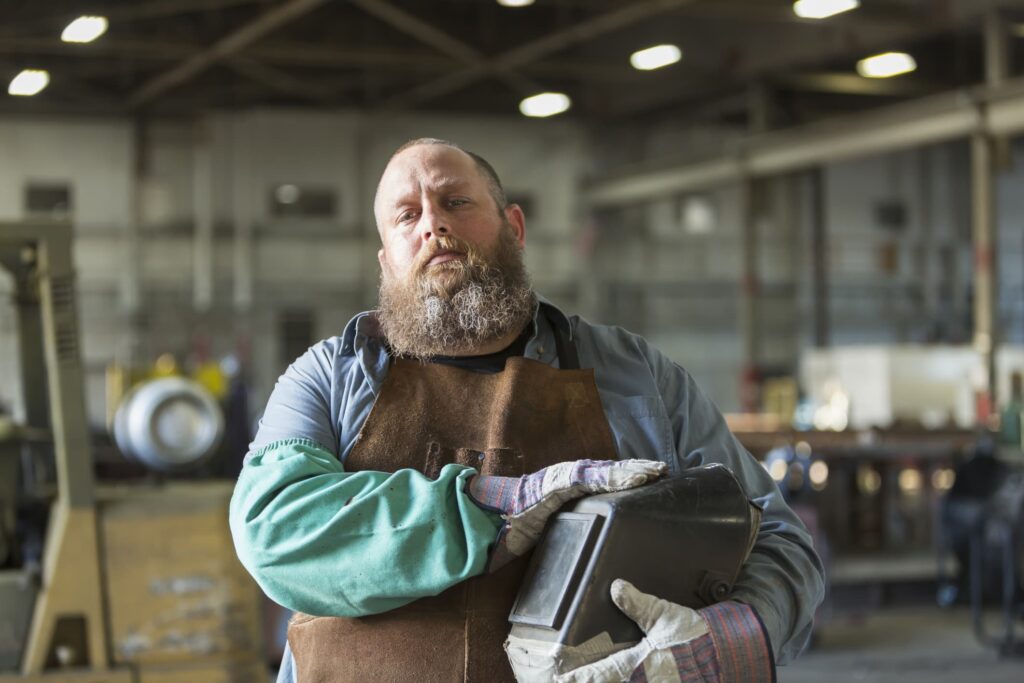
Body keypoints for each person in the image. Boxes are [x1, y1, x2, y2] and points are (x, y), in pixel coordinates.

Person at [229, 138, 825, 682]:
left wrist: (716, 646)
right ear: (386, 259)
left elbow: (774, 537)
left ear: (513, 227)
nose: (433, 224)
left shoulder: (634, 375)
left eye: (457, 202)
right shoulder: (330, 376)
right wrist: (502, 508)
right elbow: (272, 527)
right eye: (407, 216)